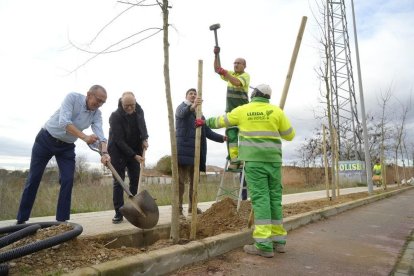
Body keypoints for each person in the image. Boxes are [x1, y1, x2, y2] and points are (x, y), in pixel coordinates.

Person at [196, 84, 295, 258]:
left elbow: (221, 121)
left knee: (261, 200)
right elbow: (290, 135)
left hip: (254, 163)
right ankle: (279, 241)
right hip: (273, 162)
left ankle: (264, 245)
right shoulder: (276, 112)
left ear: (254, 94)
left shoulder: (243, 110)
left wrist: (204, 122)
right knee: (275, 200)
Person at [16, 85, 110, 224]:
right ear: (89, 94)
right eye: (98, 100)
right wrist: (84, 137)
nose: (99, 104)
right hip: (45, 140)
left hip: (66, 147)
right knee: (34, 178)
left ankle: (62, 221)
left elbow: (101, 136)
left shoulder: (97, 114)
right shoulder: (72, 98)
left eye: (103, 102)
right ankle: (21, 220)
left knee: (67, 179)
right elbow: (64, 122)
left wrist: (105, 152)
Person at [176, 88, 226, 219]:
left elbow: (207, 132)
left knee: (194, 182)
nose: (193, 95)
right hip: (182, 151)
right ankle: (178, 210)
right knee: (180, 182)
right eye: (190, 94)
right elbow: (182, 114)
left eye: (195, 94)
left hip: (196, 152)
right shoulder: (181, 108)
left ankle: (192, 207)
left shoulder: (200, 115)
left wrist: (222, 138)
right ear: (186, 96)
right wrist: (192, 107)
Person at [108, 91, 149, 224]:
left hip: (135, 149)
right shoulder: (115, 116)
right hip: (118, 151)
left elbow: (142, 125)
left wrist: (144, 138)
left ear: (135, 102)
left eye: (132, 105)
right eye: (127, 106)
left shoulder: (139, 109)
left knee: (135, 180)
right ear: (121, 103)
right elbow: (119, 140)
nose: (130, 108)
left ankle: (133, 210)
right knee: (119, 182)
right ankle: (119, 212)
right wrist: (133, 155)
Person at [213, 46, 250, 171]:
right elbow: (217, 69)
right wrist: (216, 55)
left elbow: (236, 82)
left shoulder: (245, 76)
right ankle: (234, 161)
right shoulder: (231, 74)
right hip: (230, 112)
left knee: (244, 136)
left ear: (244, 65)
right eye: (234, 63)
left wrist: (225, 73)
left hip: (244, 113)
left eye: (238, 63)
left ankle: (245, 159)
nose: (236, 65)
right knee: (231, 136)